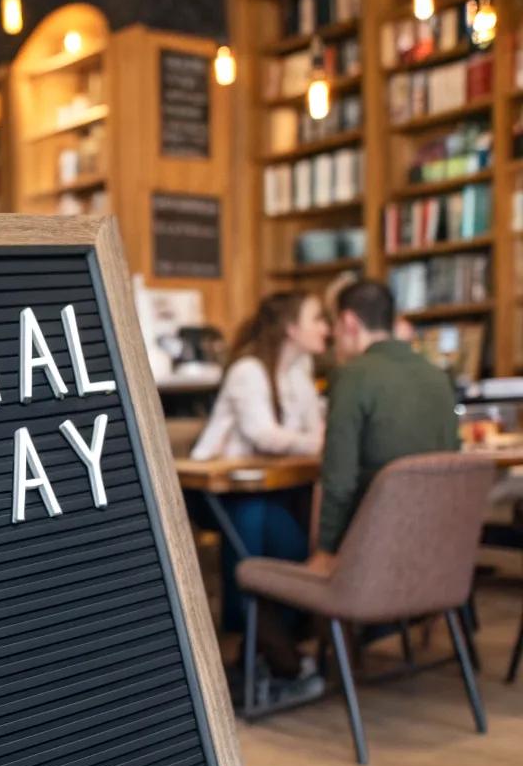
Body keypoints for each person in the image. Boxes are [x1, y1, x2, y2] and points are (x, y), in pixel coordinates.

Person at [191, 291, 329, 664]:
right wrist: (310, 441)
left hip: (270, 489)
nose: (326, 328)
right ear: (291, 328)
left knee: (290, 543)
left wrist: (309, 439)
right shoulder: (247, 370)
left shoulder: (300, 374)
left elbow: (312, 434)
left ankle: (266, 641)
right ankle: (252, 642)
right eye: (317, 318)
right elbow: (263, 434)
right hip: (215, 492)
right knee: (252, 518)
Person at [310, 278, 459, 568]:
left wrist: (326, 551)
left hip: (371, 559)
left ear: (349, 322)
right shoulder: (438, 376)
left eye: (336, 328)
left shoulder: (352, 376)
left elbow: (338, 480)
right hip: (438, 557)